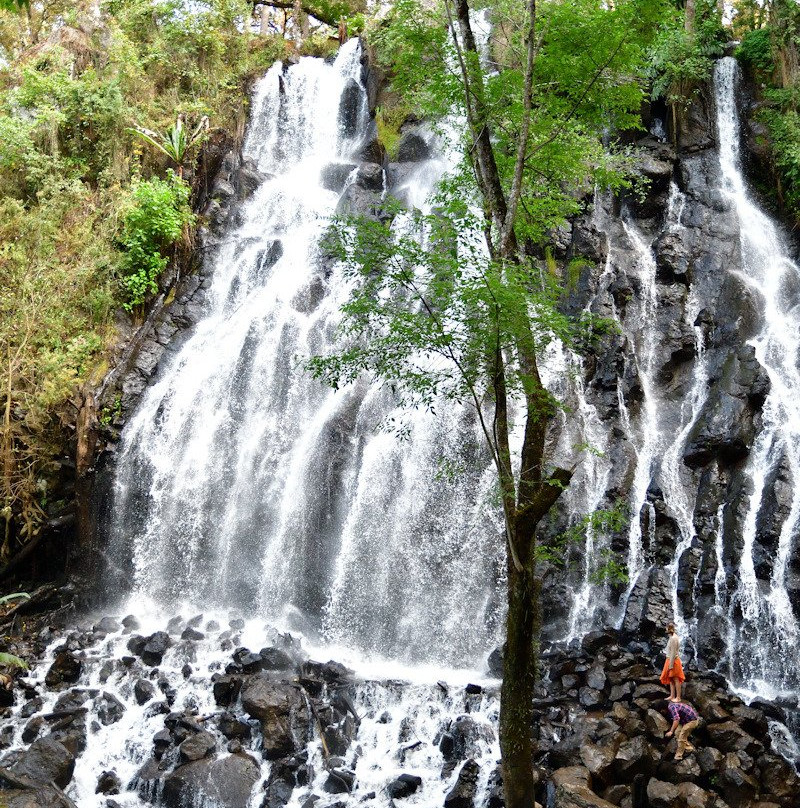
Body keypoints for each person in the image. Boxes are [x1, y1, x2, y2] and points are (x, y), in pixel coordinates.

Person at [659, 622, 685, 702]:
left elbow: (673, 652)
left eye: (667, 628)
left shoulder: (674, 638)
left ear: (669, 629)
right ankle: (672, 695)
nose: (665, 629)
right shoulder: (672, 637)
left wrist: (670, 665)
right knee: (671, 679)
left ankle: (678, 697)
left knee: (676, 679)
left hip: (673, 661)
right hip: (669, 659)